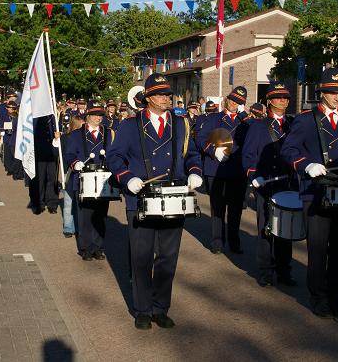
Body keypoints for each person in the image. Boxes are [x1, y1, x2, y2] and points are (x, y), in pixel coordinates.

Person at [107, 73, 203, 330]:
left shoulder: (181, 124)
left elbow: (192, 153)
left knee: (168, 258)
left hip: (173, 196)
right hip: (140, 197)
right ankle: (142, 309)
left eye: (168, 94)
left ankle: (161, 307)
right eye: (160, 94)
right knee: (141, 258)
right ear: (147, 98)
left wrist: (195, 171)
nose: (165, 98)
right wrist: (126, 177)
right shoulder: (130, 125)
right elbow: (114, 157)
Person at [281, 67, 338, 320]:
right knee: (318, 250)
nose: (337, 97)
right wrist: (306, 165)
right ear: (322, 93)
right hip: (315, 192)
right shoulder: (306, 119)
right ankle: (318, 297)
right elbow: (289, 150)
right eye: (332, 92)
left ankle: (337, 297)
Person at [242, 82, 297, 287]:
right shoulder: (258, 126)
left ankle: (284, 269)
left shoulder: (293, 124)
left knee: (286, 229)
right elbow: (248, 154)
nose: (283, 100)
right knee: (266, 228)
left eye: (286, 98)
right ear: (269, 100)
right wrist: (253, 175)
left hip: (287, 183)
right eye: (278, 97)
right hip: (267, 182)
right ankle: (265, 270)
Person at [195, 86, 250, 254]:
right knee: (217, 208)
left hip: (237, 170)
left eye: (238, 102)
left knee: (235, 209)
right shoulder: (214, 118)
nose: (233, 103)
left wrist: (244, 115)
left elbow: (253, 138)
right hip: (216, 168)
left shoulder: (245, 122)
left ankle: (234, 242)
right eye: (232, 99)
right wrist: (213, 151)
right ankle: (217, 242)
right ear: (227, 99)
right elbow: (200, 138)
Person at [65, 101, 115, 260]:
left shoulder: (109, 133)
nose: (98, 118)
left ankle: (98, 247)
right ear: (87, 116)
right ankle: (85, 248)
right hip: (83, 180)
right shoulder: (76, 134)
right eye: (95, 114)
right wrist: (75, 164)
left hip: (103, 180)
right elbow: (69, 155)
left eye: (100, 115)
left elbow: (114, 154)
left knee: (101, 215)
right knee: (85, 217)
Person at [59, 115, 85, 238]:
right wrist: (56, 141)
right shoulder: (65, 137)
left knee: (81, 201)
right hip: (69, 172)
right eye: (82, 124)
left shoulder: (85, 137)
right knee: (69, 200)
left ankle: (80, 227)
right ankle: (69, 228)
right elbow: (59, 154)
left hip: (83, 173)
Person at [28, 115, 59, 213]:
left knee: (52, 178)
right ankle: (38, 203)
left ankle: (52, 203)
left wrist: (58, 136)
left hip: (52, 151)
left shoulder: (53, 116)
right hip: (38, 150)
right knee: (39, 179)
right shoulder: (35, 116)